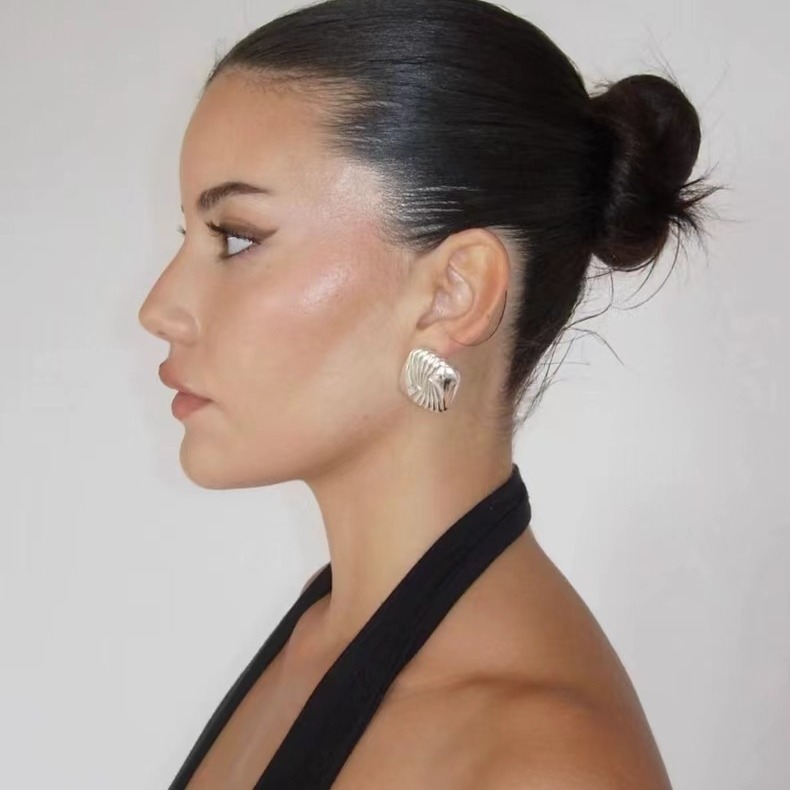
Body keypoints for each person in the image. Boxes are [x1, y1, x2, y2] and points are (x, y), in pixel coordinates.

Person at [137, 0, 721, 787]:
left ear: (454, 292)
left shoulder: (543, 763)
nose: (160, 308)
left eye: (237, 237)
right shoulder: (319, 635)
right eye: (189, 237)